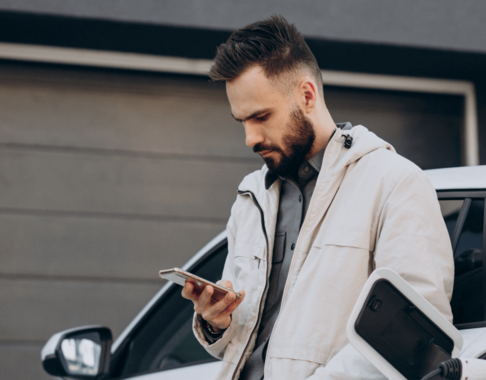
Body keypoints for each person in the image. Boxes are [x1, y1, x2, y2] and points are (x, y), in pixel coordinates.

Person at [180, 15, 455, 380]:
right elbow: (248, 337)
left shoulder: (394, 183)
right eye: (242, 121)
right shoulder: (252, 198)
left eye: (261, 116)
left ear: (307, 95)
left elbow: (413, 337)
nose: (250, 138)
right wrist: (218, 322)